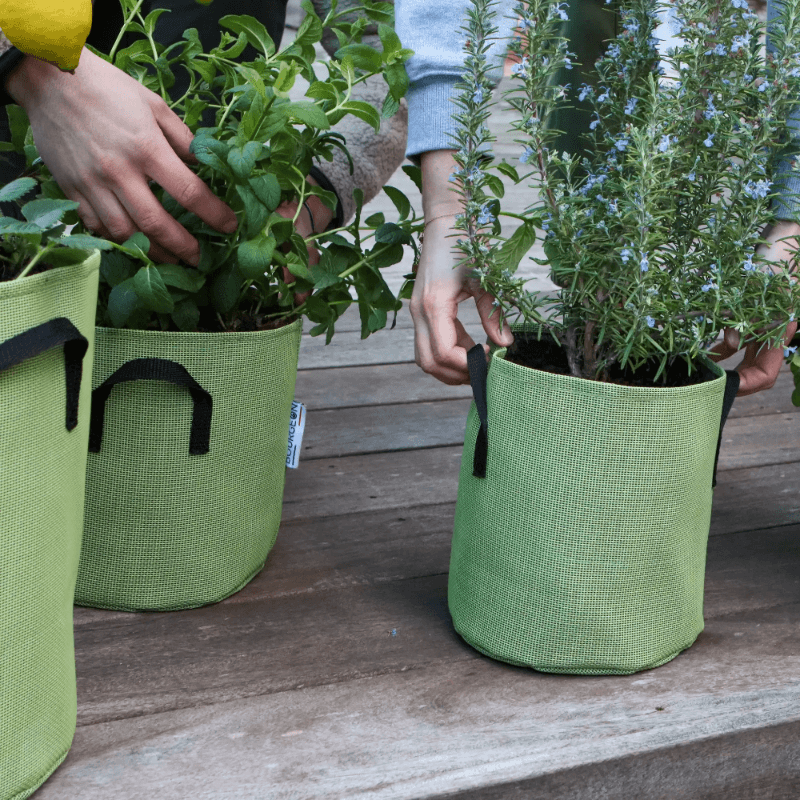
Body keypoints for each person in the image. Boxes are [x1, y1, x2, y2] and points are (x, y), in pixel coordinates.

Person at [396, 0, 799, 393]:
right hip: (588, 45)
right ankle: (590, 339)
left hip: (700, 46)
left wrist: (792, 221)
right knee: (587, 264)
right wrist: (448, 210)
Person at [0, 0, 407, 265]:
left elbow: (390, 56)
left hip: (200, 236)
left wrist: (315, 192)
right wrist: (35, 72)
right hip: (20, 177)